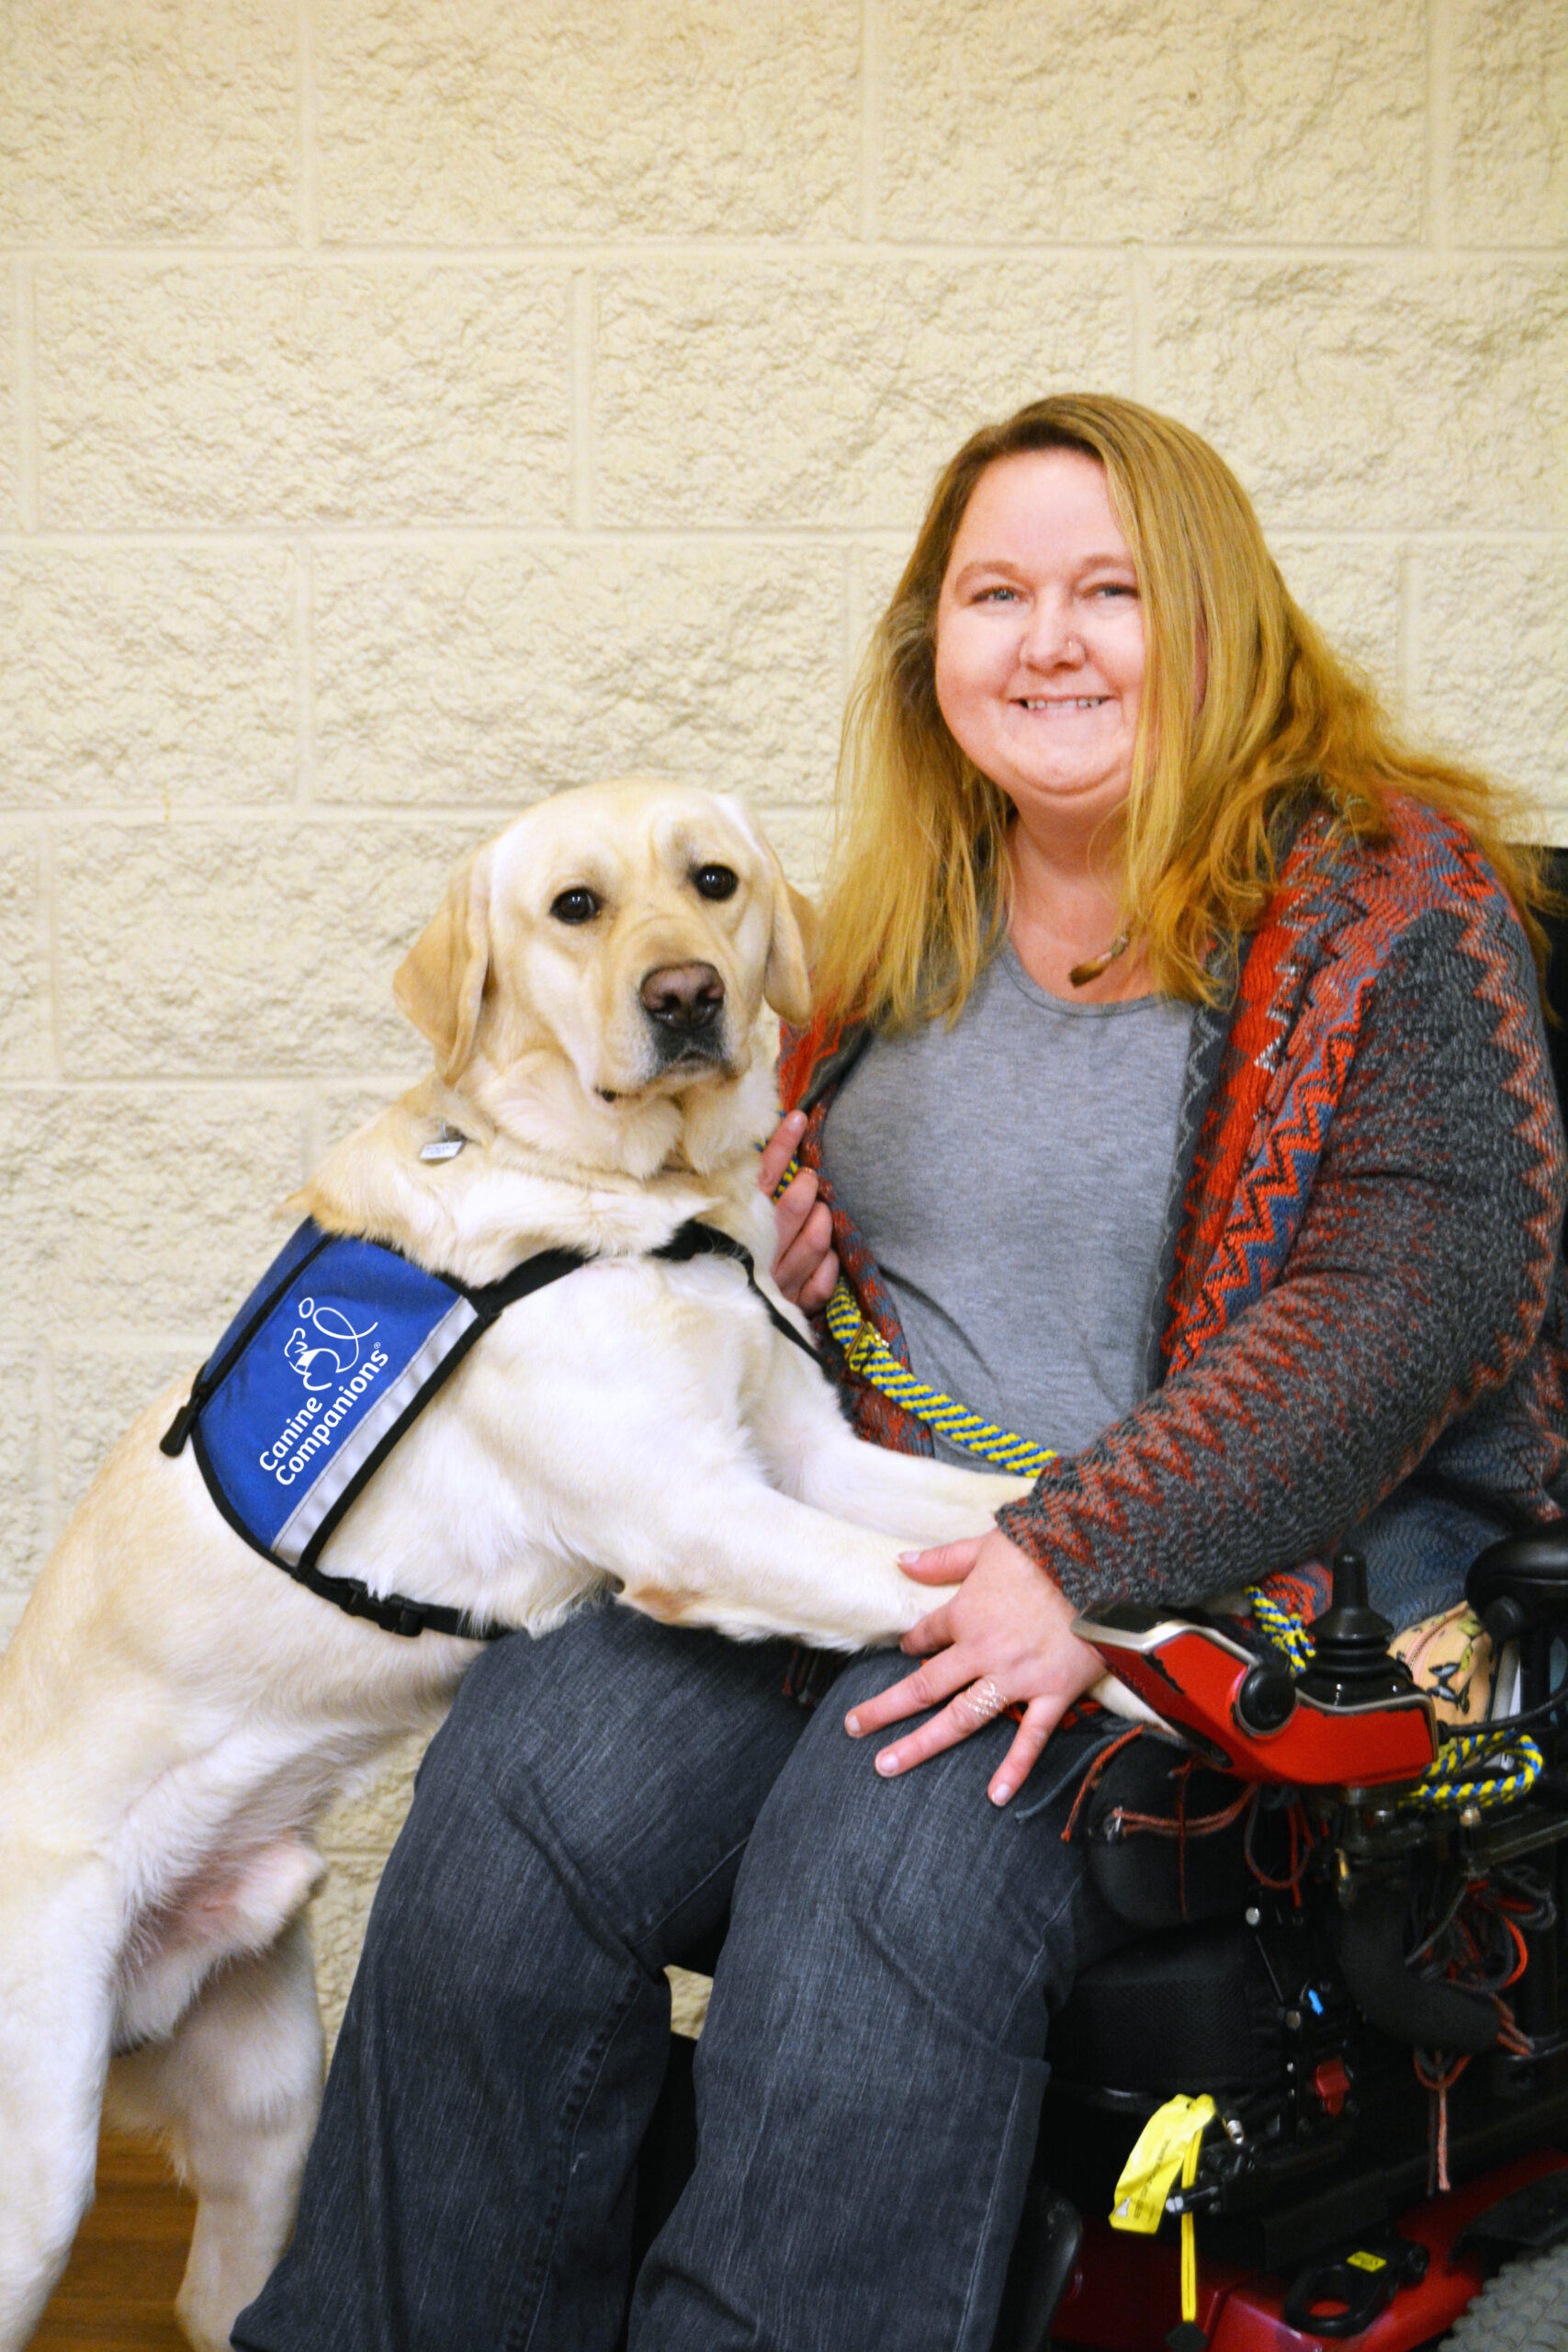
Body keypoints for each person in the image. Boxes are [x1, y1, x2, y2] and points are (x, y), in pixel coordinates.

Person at [234, 393, 1568, 2351]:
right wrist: (760, 1264)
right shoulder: (891, 921)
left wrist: (1080, 1551)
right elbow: (829, 1268)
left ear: (1211, 620)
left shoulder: (1388, 903)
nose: (1046, 639)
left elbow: (1401, 1300)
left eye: (1107, 589)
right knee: (517, 1779)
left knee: (879, 1847)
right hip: (860, 1528)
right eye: (992, 591)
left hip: (1200, 1587)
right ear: (926, 645)